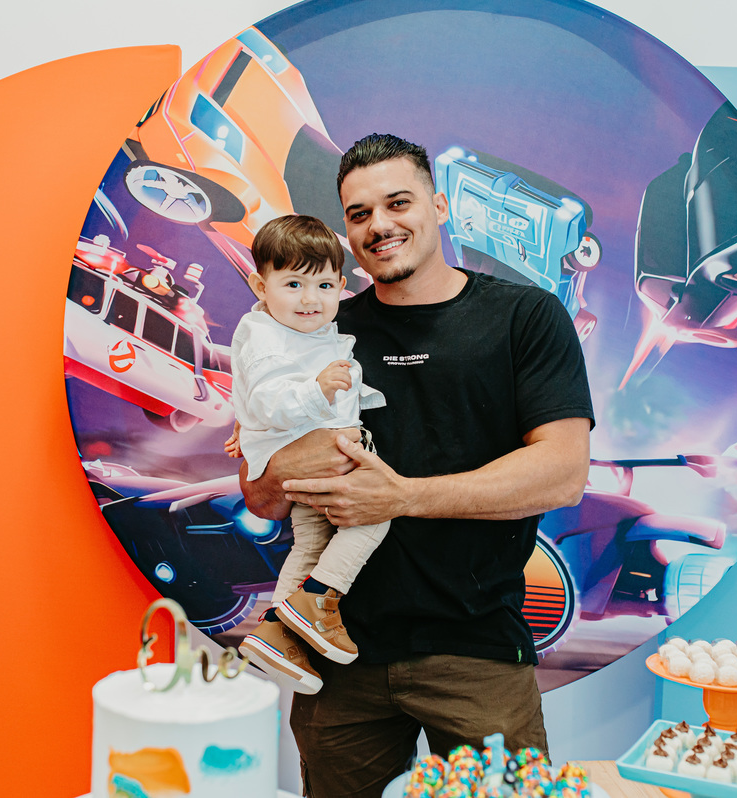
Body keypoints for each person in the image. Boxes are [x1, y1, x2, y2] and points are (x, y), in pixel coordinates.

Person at [241, 133, 594, 797]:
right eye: (359, 214)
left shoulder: (524, 317)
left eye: (397, 203)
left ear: (439, 205)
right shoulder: (315, 332)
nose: (379, 225)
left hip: (477, 652)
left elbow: (563, 473)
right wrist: (293, 446)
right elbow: (261, 497)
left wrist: (399, 496)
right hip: (337, 657)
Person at [228, 214, 391, 697]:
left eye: (323, 286)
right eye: (293, 284)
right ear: (261, 286)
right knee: (373, 517)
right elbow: (268, 399)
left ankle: (277, 633)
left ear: (341, 286)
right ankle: (319, 597)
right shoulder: (268, 337)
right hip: (313, 462)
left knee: (311, 543)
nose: (309, 299)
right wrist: (317, 391)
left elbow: (267, 397)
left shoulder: (306, 332)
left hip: (309, 458)